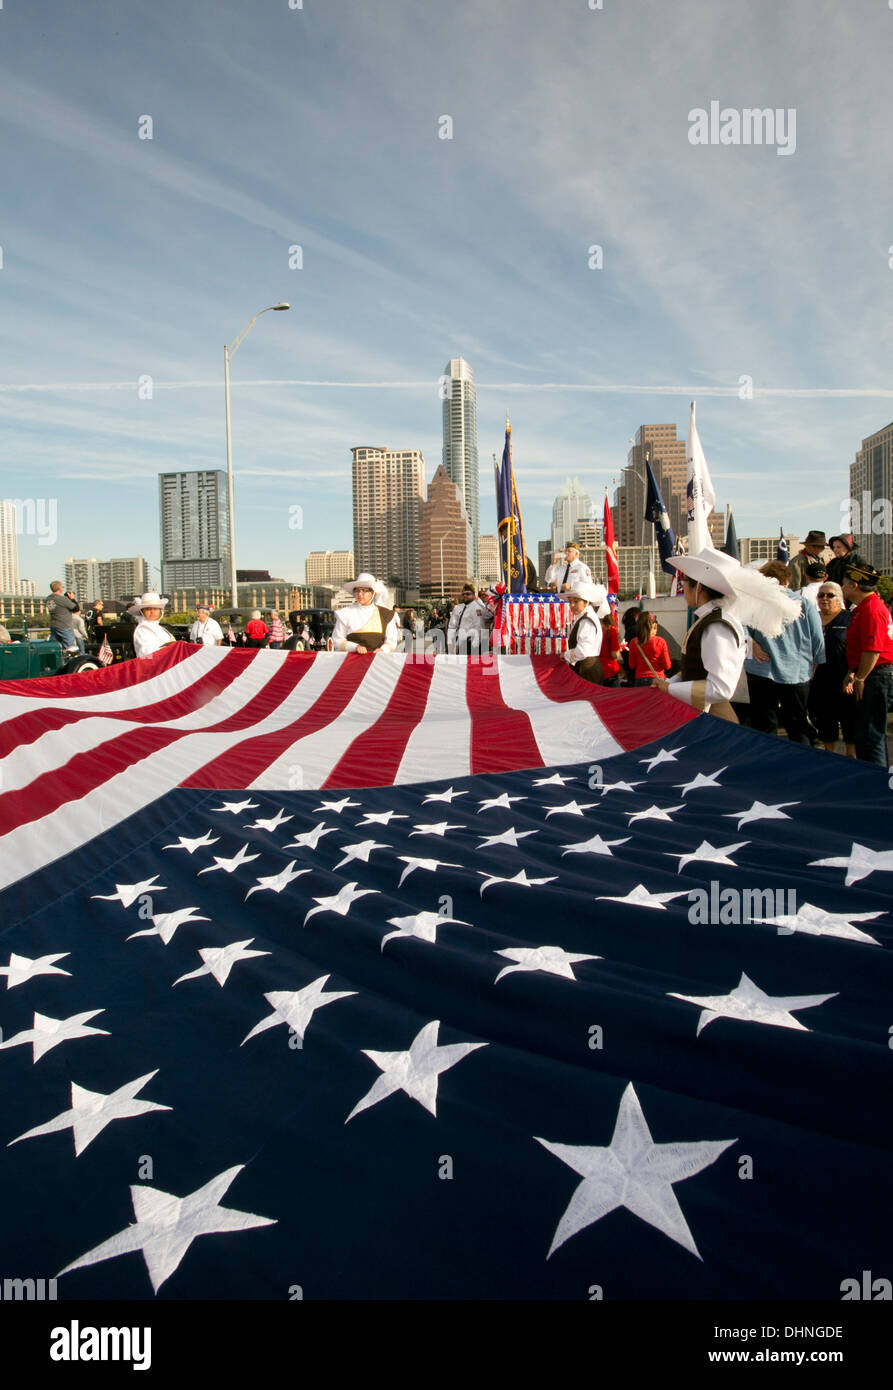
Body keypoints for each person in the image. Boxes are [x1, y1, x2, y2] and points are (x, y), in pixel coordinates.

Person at [655, 547, 800, 722]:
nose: (682, 586)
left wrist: (669, 689)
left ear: (699, 587)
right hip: (702, 718)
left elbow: (720, 688)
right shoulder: (711, 620)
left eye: (684, 581)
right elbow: (695, 670)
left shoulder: (717, 626)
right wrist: (669, 683)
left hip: (713, 722)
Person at [744, 561, 824, 744]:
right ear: (787, 581)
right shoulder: (803, 604)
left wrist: (751, 644)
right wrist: (817, 662)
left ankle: (768, 767)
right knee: (798, 726)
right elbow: (817, 638)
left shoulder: (755, 604)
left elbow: (741, 629)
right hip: (798, 671)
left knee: (764, 727)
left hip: (762, 670)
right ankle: (801, 769)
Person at [840, 555, 893, 766]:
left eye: (844, 584)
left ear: (854, 585)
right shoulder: (865, 608)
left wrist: (860, 677)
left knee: (871, 736)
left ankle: (877, 786)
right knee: (868, 734)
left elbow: (873, 650)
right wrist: (853, 672)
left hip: (877, 675)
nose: (842, 588)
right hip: (873, 674)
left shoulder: (871, 610)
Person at [808, 581, 856, 757]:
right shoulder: (812, 617)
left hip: (844, 680)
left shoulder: (849, 618)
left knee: (850, 723)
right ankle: (830, 758)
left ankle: (852, 759)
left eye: (830, 595)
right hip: (820, 680)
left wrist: (853, 674)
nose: (825, 599)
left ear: (839, 599)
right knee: (825, 722)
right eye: (821, 595)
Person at [332, 572, 401, 653]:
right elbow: (337, 640)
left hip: (378, 661)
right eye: (357, 590)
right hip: (352, 662)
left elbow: (391, 641)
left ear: (373, 593)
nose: (360, 594)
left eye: (365, 590)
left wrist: (383, 649)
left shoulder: (386, 614)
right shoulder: (345, 613)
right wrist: (355, 647)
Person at [562, 581, 609, 684]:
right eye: (570, 602)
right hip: (588, 667)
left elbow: (583, 651)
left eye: (576, 601)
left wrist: (565, 655)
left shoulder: (586, 620)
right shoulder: (587, 617)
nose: (572, 605)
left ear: (587, 602)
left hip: (587, 670)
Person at [629, 611, 671, 687]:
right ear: (655, 626)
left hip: (639, 680)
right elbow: (667, 665)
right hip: (658, 679)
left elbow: (631, 665)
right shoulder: (660, 641)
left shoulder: (633, 642)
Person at [129, 592, 176, 659]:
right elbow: (146, 655)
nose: (152, 612)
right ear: (142, 612)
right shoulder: (142, 629)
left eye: (155, 608)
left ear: (160, 611)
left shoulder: (160, 628)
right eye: (148, 609)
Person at [447, 582, 491, 654]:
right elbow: (456, 627)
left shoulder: (477, 607)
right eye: (463, 594)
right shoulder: (460, 607)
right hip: (463, 643)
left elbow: (478, 627)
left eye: (468, 594)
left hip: (474, 643)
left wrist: (475, 646)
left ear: (473, 595)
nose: (465, 596)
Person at [45, 581, 80, 654]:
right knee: (71, 648)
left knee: (56, 648)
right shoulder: (62, 599)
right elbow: (76, 608)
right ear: (60, 588)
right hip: (65, 626)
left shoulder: (48, 599)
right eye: (62, 587)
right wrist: (72, 598)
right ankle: (70, 664)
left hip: (54, 626)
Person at [599, 611, 622, 686]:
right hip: (609, 669)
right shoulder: (611, 630)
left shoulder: (592, 629)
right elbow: (614, 654)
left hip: (595, 669)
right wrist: (619, 650)